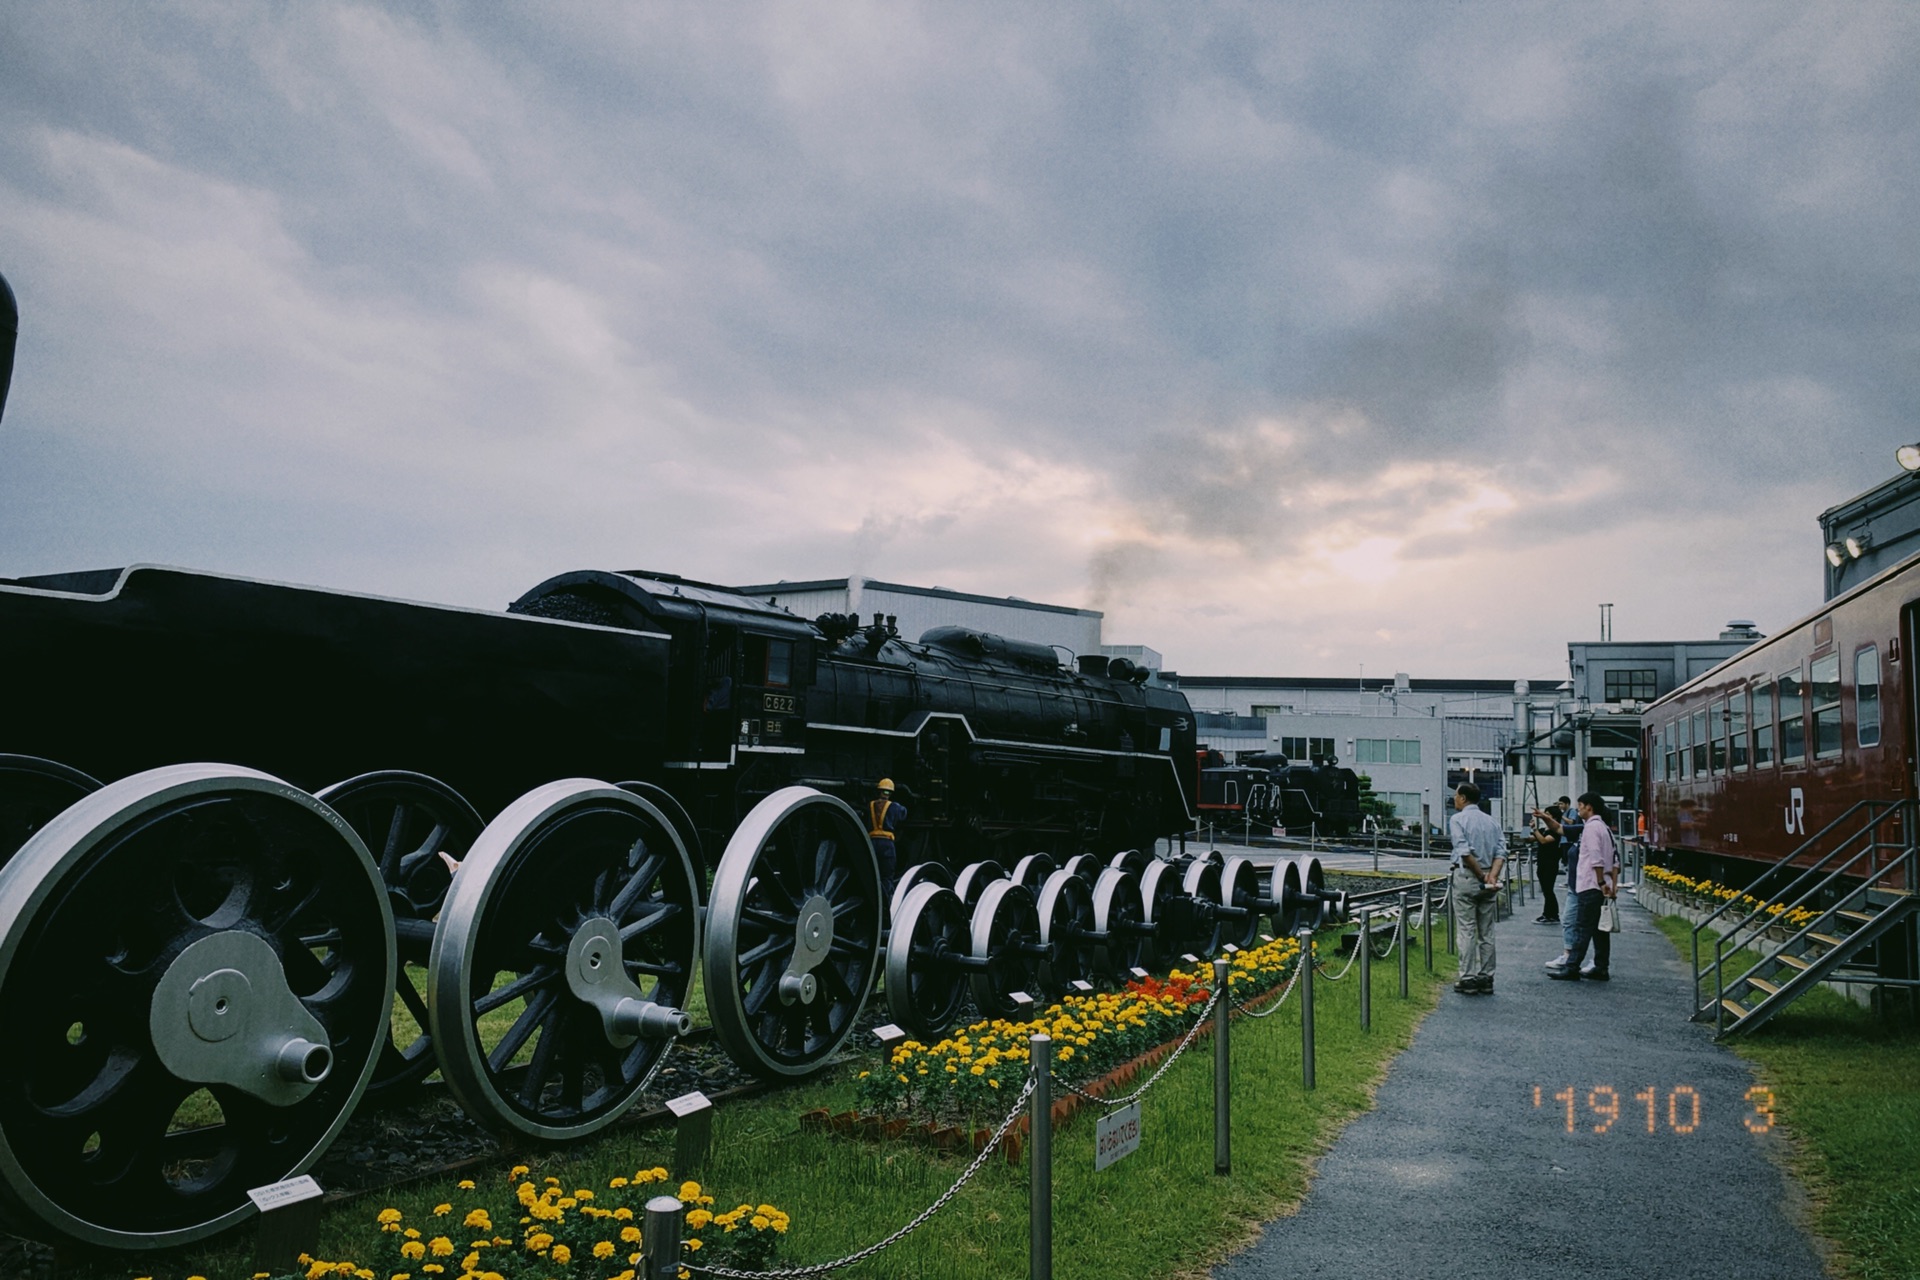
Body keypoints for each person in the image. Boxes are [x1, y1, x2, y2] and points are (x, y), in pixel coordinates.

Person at [1547, 792, 1619, 981]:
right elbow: (1615, 859)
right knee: (1599, 930)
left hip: (1591, 884)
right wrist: (1612, 884)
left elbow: (1596, 857)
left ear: (1589, 807)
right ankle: (1601, 966)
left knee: (1582, 927)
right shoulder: (1604, 828)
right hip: (1602, 885)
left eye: (1580, 805)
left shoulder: (1591, 828)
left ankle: (1572, 966)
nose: (1578, 809)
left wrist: (1601, 881)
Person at [1447, 782, 1505, 995]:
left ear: (1463, 798)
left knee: (1467, 929)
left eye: (1456, 796)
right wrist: (1492, 875)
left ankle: (1468, 977)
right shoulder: (1492, 821)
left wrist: (1480, 874)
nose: (1454, 799)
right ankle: (1487, 977)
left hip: (1468, 877)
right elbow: (1501, 851)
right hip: (1490, 877)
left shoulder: (1457, 819)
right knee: (1487, 930)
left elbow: (1463, 851)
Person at [867, 778, 908, 903]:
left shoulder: (870, 805)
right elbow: (904, 814)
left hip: (872, 842)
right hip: (886, 844)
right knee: (887, 876)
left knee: (873, 873)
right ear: (890, 793)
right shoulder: (894, 807)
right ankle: (885, 902)